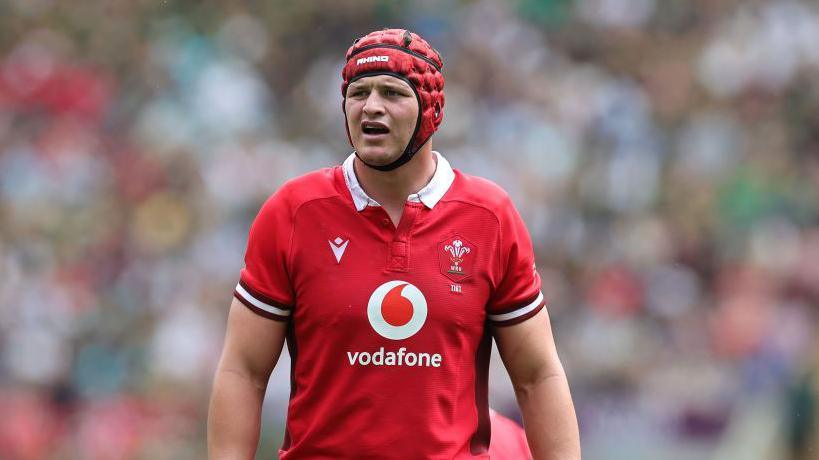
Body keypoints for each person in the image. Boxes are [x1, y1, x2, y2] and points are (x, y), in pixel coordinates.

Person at [208, 28, 580, 459]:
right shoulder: (293, 211)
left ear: (431, 108)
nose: (371, 107)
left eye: (392, 92)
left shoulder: (489, 216)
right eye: (358, 92)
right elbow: (244, 371)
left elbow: (537, 376)